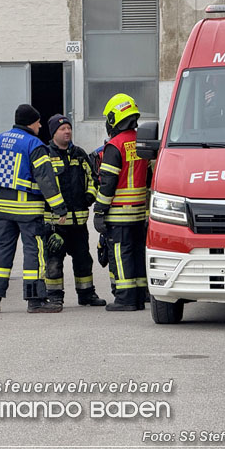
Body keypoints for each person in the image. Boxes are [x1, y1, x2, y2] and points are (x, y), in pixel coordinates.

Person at [0, 104, 68, 314]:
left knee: (1, 253)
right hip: (28, 211)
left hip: (2, 209)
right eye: (38, 122)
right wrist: (59, 209)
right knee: (34, 253)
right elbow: (46, 180)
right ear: (31, 122)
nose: (40, 126)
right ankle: (35, 300)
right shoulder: (34, 144)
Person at [93, 93, 151, 312]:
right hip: (140, 212)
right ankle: (139, 295)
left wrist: (99, 211)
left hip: (118, 213)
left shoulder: (115, 145)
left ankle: (125, 299)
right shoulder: (142, 142)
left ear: (113, 118)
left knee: (121, 253)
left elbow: (108, 183)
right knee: (137, 252)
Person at [43, 114, 106, 309]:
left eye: (69, 128)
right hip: (55, 224)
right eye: (62, 129)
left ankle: (86, 294)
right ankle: (54, 296)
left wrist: (89, 195)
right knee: (53, 261)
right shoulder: (45, 155)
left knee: (83, 260)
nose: (67, 131)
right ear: (54, 133)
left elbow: (93, 178)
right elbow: (42, 184)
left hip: (78, 223)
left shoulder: (80, 154)